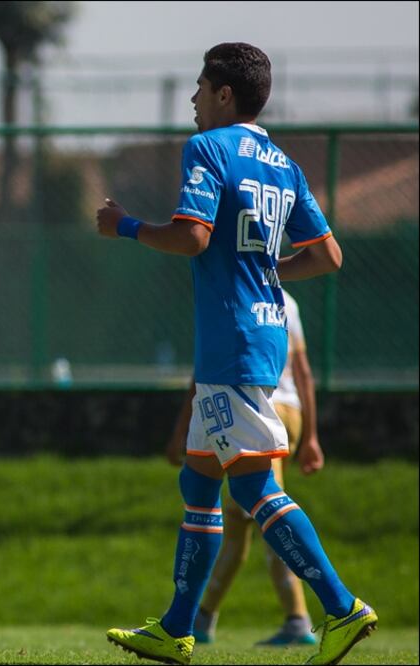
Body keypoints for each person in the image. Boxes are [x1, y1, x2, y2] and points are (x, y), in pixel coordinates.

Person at [97, 43, 375, 666]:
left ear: (225, 94)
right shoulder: (284, 162)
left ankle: (341, 607)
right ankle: (176, 626)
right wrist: (267, 273)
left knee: (251, 486)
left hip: (231, 342)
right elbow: (329, 256)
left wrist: (127, 226)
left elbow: (192, 236)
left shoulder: (208, 148)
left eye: (200, 87)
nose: (194, 99)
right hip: (262, 331)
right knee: (197, 480)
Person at [166, 289, 327, 646]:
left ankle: (302, 617)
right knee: (238, 522)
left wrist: (180, 430)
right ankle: (201, 618)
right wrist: (312, 435)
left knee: (265, 508)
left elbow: (206, 371)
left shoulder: (229, 292)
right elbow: (302, 372)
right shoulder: (287, 300)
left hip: (255, 407)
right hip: (291, 412)